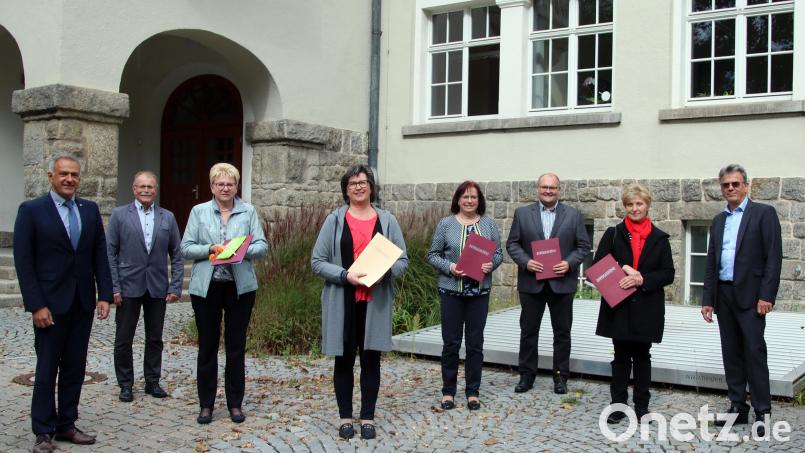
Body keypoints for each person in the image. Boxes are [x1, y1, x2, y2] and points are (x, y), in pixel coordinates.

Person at [13, 155, 113, 453]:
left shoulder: (90, 210)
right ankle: (43, 431)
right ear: (50, 176)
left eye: (74, 175)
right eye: (63, 174)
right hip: (50, 306)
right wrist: (36, 305)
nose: (69, 179)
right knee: (46, 369)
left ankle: (67, 424)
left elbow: (99, 254)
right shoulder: (31, 210)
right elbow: (24, 261)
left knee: (74, 367)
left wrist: (104, 294)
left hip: (82, 303)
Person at [311, 164, 408, 440]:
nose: (358, 187)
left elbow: (403, 259)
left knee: (371, 361)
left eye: (363, 182)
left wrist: (384, 274)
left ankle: (367, 417)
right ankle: (345, 418)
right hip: (342, 300)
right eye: (353, 183)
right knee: (343, 361)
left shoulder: (387, 220)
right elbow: (317, 262)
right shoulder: (334, 220)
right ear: (346, 189)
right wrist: (345, 275)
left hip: (374, 301)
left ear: (371, 186)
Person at [180, 163, 268, 425]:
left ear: (236, 186)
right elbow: (186, 248)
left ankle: (235, 404)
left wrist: (239, 249)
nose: (225, 188)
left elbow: (262, 246)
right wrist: (212, 249)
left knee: (236, 346)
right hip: (207, 287)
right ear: (212, 187)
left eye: (230, 184)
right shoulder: (199, 212)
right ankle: (206, 405)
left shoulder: (248, 211)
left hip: (239, 287)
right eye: (220, 184)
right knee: (207, 346)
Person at [701, 164, 781, 437]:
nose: (731, 188)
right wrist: (707, 299)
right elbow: (711, 261)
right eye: (726, 185)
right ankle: (738, 405)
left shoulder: (763, 214)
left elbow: (773, 258)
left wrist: (766, 295)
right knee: (731, 352)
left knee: (754, 352)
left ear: (746, 185)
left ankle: (763, 411)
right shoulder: (718, 220)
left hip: (751, 296)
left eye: (735, 184)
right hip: (724, 295)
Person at [592, 183, 674, 423]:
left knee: (642, 357)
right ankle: (618, 406)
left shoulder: (659, 238)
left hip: (647, 305)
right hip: (619, 304)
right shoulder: (613, 233)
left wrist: (642, 279)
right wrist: (624, 272)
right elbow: (598, 266)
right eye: (630, 204)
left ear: (647, 205)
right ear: (624, 206)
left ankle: (641, 406)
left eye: (639, 203)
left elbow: (668, 273)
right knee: (620, 357)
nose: (635, 208)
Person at [506, 173, 590, 394]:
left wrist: (568, 263)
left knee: (562, 333)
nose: (548, 191)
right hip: (532, 283)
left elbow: (583, 246)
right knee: (528, 331)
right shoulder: (522, 214)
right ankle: (526, 376)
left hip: (561, 284)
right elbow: (513, 244)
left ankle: (560, 377)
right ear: (537, 189)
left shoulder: (573, 215)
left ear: (559, 190)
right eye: (544, 187)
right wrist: (526, 262)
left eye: (553, 188)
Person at [107, 171, 183, 403]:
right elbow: (110, 253)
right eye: (142, 186)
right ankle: (126, 384)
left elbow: (177, 255)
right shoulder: (120, 215)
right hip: (128, 285)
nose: (146, 190)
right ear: (134, 188)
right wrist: (114, 287)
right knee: (123, 339)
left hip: (157, 287)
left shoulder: (167, 217)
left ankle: (152, 381)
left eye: (150, 186)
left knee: (155, 339)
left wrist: (175, 286)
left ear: (156, 189)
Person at [426, 181, 503, 411]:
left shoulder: (488, 224)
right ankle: (448, 391)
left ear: (479, 201)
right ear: (458, 199)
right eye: (465, 197)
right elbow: (432, 255)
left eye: (474, 197)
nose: (469, 201)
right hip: (452, 291)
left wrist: (491, 264)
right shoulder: (446, 224)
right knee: (451, 343)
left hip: (479, 293)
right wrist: (450, 267)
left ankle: (473, 392)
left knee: (475, 344)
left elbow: (498, 254)